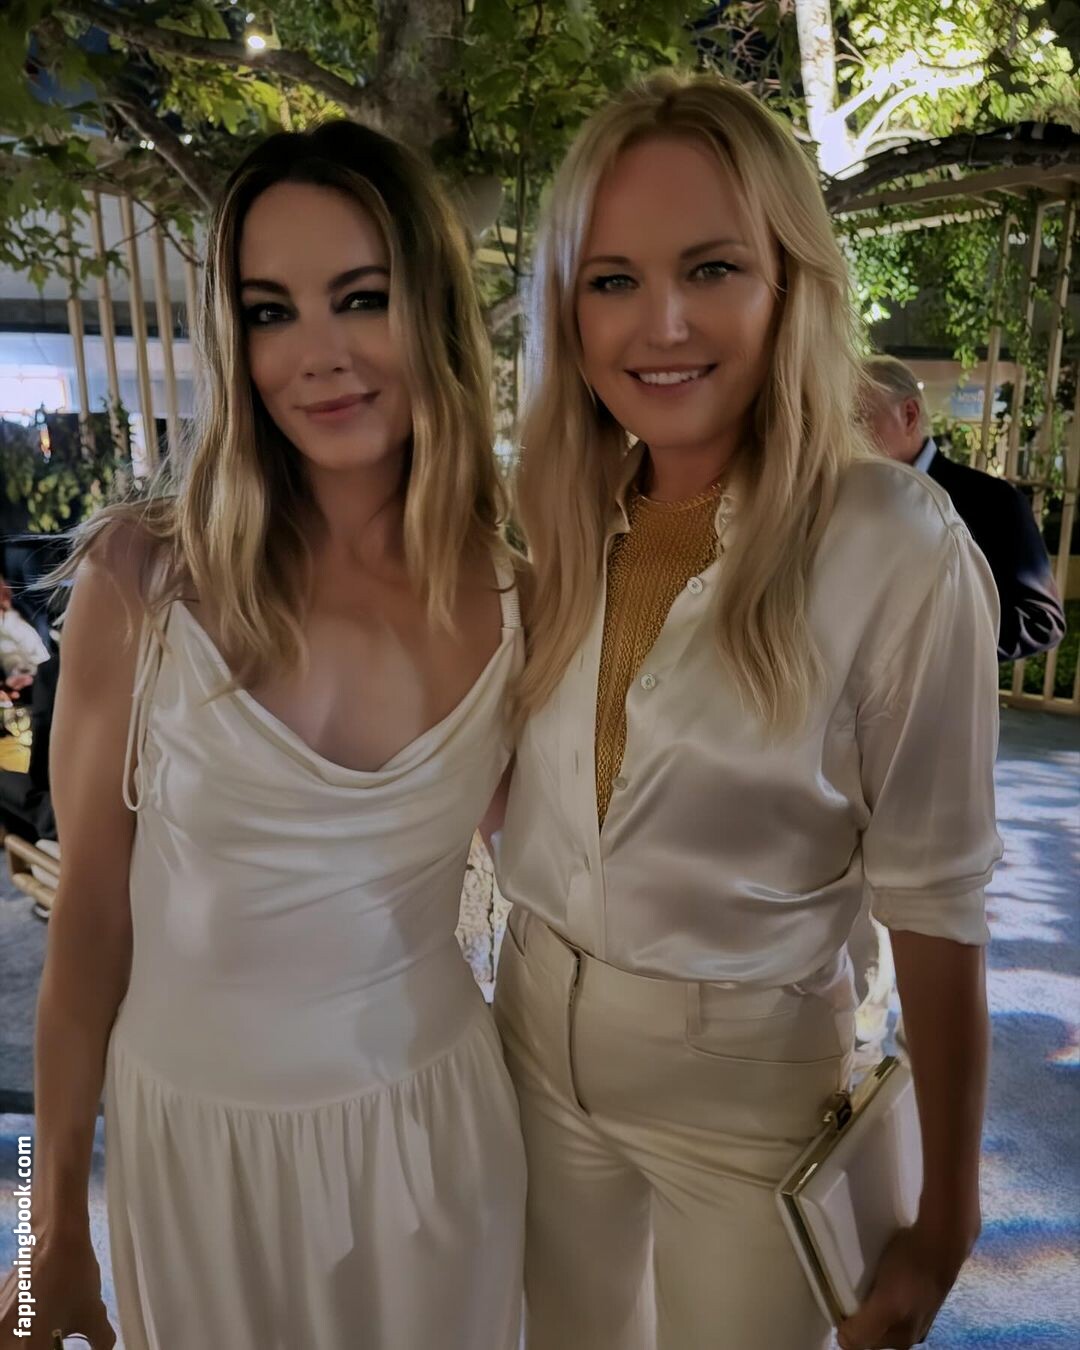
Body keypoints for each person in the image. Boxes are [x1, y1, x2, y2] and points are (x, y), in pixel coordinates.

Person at [492, 72, 1002, 1350]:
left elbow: (938, 900)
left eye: (712, 268)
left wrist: (948, 1214)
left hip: (748, 1095)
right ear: (568, 310)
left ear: (790, 283)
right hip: (529, 1041)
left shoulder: (893, 542)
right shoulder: (555, 514)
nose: (661, 322)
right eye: (612, 279)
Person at [0, 120, 526, 1350]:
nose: (319, 354)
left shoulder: (522, 600)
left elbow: (574, 888)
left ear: (435, 311)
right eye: (270, 312)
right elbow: (86, 931)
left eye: (362, 297)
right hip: (193, 1156)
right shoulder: (144, 580)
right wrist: (39, 1233)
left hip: (436, 1140)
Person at [860, 354, 1066, 660]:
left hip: (945, 686)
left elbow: (1042, 621)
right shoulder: (850, 498)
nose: (845, 436)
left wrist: (927, 643)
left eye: (859, 418)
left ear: (910, 415)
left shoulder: (992, 500)